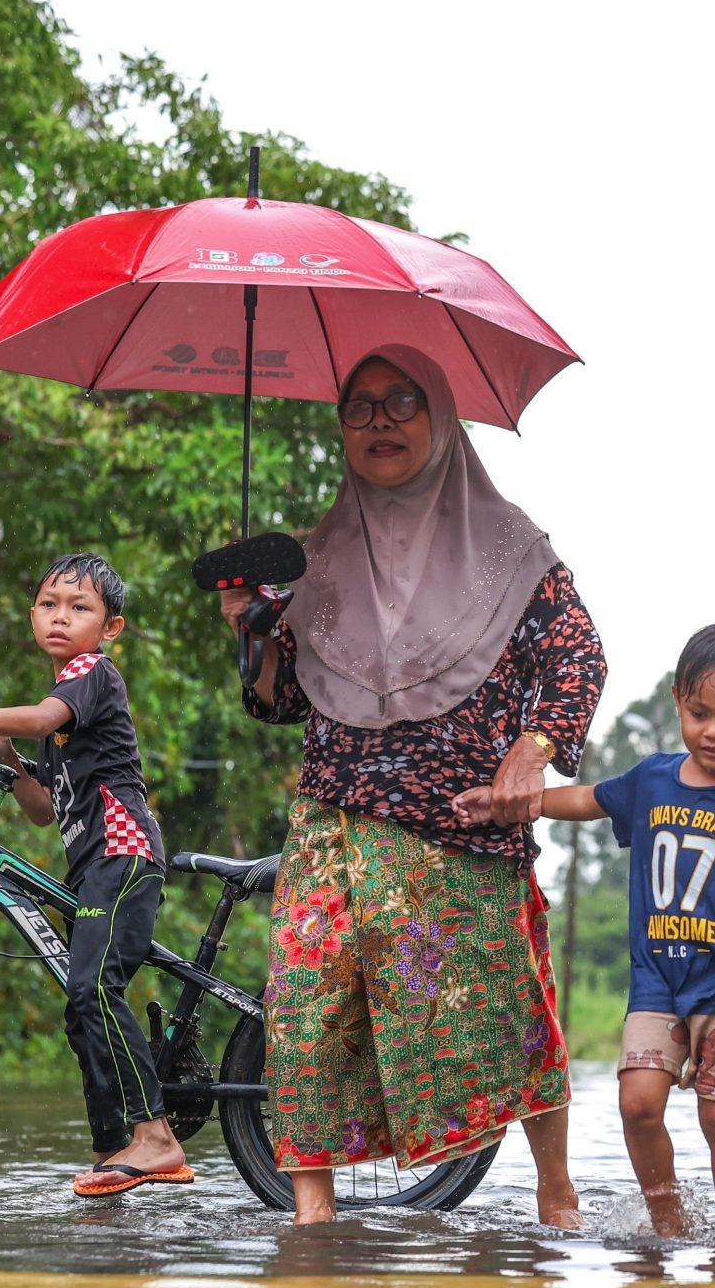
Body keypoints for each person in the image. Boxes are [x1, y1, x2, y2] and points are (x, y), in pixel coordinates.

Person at [229, 346, 605, 1227]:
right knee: (304, 1007)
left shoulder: (512, 549)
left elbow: (578, 657)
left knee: (506, 1010)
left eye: (402, 402)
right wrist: (251, 634)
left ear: (439, 419)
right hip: (332, 818)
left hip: (461, 828)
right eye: (358, 408)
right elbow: (282, 699)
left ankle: (556, 1192)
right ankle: (311, 1215)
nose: (380, 422)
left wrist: (530, 752)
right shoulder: (314, 556)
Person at [478, 624, 715, 1235]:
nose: (713, 731)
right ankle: (668, 1226)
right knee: (637, 1105)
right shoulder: (652, 780)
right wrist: (511, 802)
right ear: (678, 699)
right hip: (657, 982)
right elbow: (590, 799)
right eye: (699, 713)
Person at [0, 554, 185, 1197]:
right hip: (96, 867)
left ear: (110, 628)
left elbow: (37, 717)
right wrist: (10, 763)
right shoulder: (64, 718)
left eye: (79, 608)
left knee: (92, 988)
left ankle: (157, 1137)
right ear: (32, 615)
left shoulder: (91, 675)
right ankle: (115, 1147)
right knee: (82, 1008)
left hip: (122, 854)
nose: (61, 617)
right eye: (49, 604)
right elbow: (38, 811)